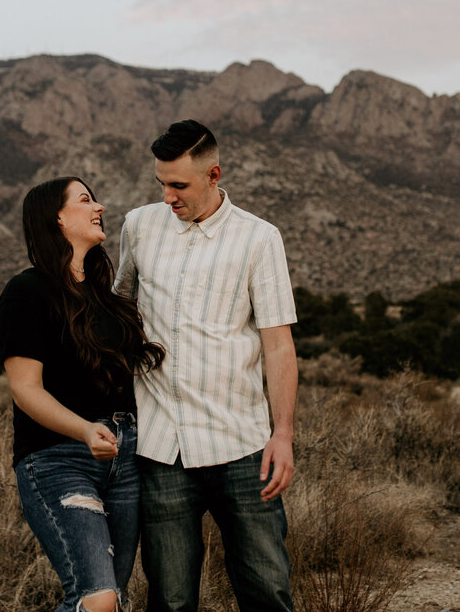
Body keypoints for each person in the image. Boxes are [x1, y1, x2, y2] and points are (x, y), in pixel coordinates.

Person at [114, 120, 299, 612]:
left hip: (242, 445)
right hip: (161, 448)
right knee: (171, 600)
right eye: (161, 184)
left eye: (179, 185)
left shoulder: (259, 239)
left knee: (267, 592)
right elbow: (119, 309)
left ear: (214, 174)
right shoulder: (138, 225)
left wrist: (282, 436)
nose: (168, 196)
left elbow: (278, 344)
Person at [0, 176, 165, 612]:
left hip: (124, 460)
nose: (100, 208)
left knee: (115, 599)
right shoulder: (26, 292)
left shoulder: (104, 298)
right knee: (98, 599)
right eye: (86, 200)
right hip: (59, 458)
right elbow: (25, 390)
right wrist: (85, 431)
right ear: (57, 217)